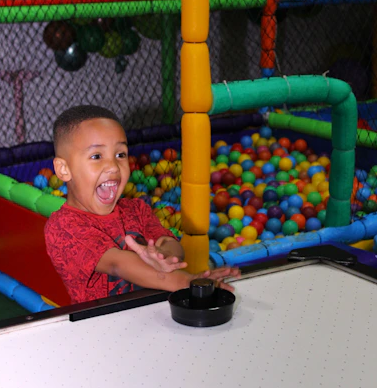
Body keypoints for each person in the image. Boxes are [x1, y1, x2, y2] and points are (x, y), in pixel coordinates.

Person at [44, 105, 240, 304]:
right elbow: (116, 264)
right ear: (64, 169)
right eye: (96, 156)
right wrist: (188, 282)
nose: (113, 166)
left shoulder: (136, 209)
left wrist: (164, 256)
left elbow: (170, 243)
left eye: (120, 154)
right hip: (103, 326)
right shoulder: (63, 227)